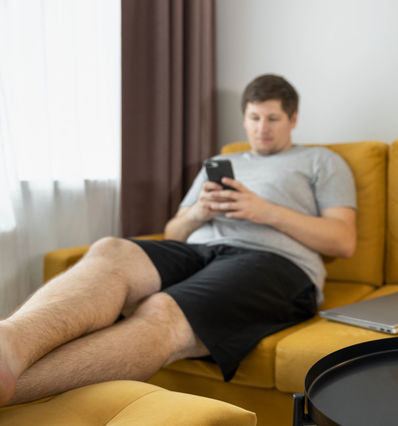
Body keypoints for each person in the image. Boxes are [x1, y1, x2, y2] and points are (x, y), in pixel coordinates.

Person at [0, 74, 357, 406]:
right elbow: (174, 233)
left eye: (272, 119)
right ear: (244, 119)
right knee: (112, 249)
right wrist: (200, 211)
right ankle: (9, 343)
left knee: (162, 311)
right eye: (254, 118)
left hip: (275, 263)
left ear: (293, 119)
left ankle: (13, 390)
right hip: (199, 251)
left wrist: (264, 211)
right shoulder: (221, 161)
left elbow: (343, 241)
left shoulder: (321, 161)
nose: (261, 128)